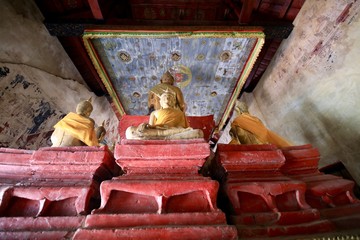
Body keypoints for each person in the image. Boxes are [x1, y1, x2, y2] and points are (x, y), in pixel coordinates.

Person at [126, 89, 203, 140]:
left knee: (199, 133)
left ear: (173, 102)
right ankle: (167, 138)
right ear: (161, 102)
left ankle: (161, 139)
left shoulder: (180, 113)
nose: (167, 99)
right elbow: (150, 126)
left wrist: (176, 129)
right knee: (130, 131)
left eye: (169, 98)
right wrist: (145, 125)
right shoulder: (154, 113)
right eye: (165, 97)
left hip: (173, 131)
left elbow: (184, 128)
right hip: (158, 131)